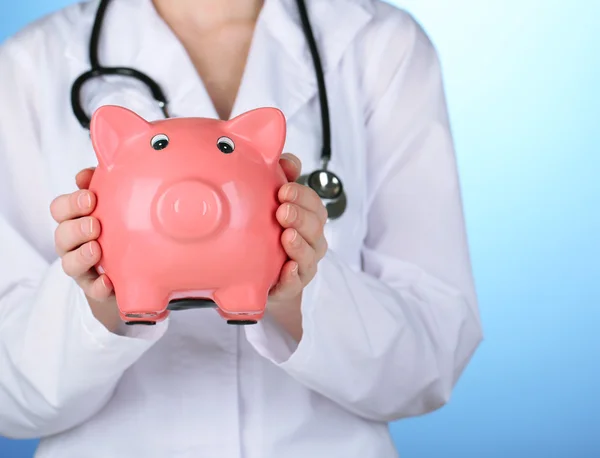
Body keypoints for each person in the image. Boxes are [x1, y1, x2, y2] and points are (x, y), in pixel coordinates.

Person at [0, 0, 483, 456]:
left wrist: (301, 295)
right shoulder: (30, 66)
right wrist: (93, 301)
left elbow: (429, 362)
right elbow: (10, 398)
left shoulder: (379, 46)